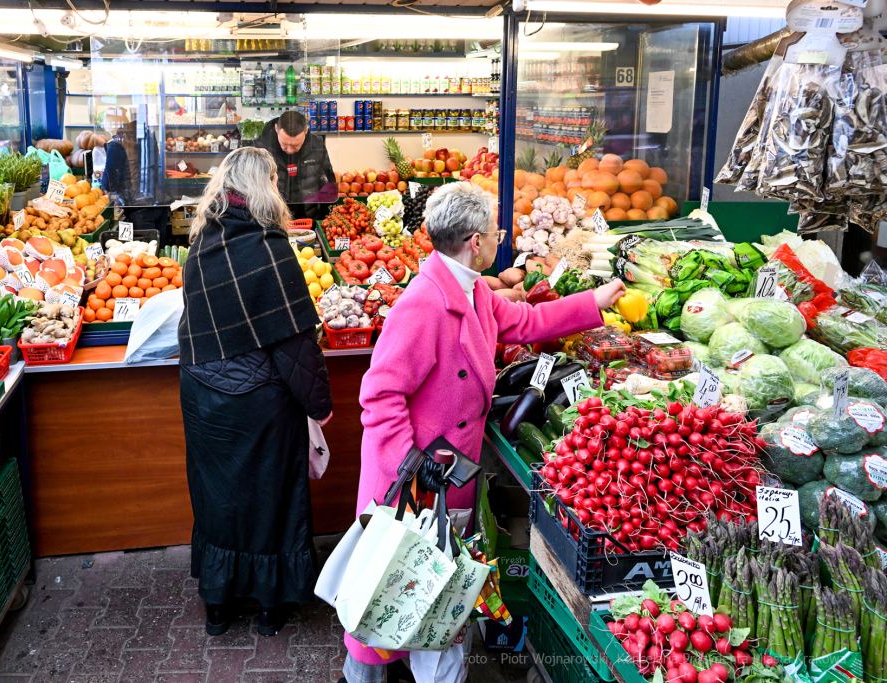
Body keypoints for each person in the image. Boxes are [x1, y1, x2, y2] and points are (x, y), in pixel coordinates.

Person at [341, 182, 626, 682]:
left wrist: (593, 302)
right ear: (475, 241)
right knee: (389, 597)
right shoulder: (424, 303)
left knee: (439, 598)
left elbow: (529, 320)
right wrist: (411, 459)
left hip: (449, 474)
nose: (500, 236)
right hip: (413, 482)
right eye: (495, 230)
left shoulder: (473, 290)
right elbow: (379, 394)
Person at [177, 146, 333, 638]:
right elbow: (294, 345)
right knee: (272, 501)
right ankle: (270, 607)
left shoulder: (201, 242)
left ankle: (218, 607)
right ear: (265, 187)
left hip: (203, 396)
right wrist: (320, 406)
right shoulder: (271, 247)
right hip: (262, 404)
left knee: (216, 500)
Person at [253, 110, 336, 219]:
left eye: (296, 145)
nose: (290, 150)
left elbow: (328, 185)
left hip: (309, 219)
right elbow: (251, 189)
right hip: (273, 220)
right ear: (277, 129)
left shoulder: (316, 145)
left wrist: (326, 219)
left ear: (306, 131)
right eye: (285, 144)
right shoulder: (260, 148)